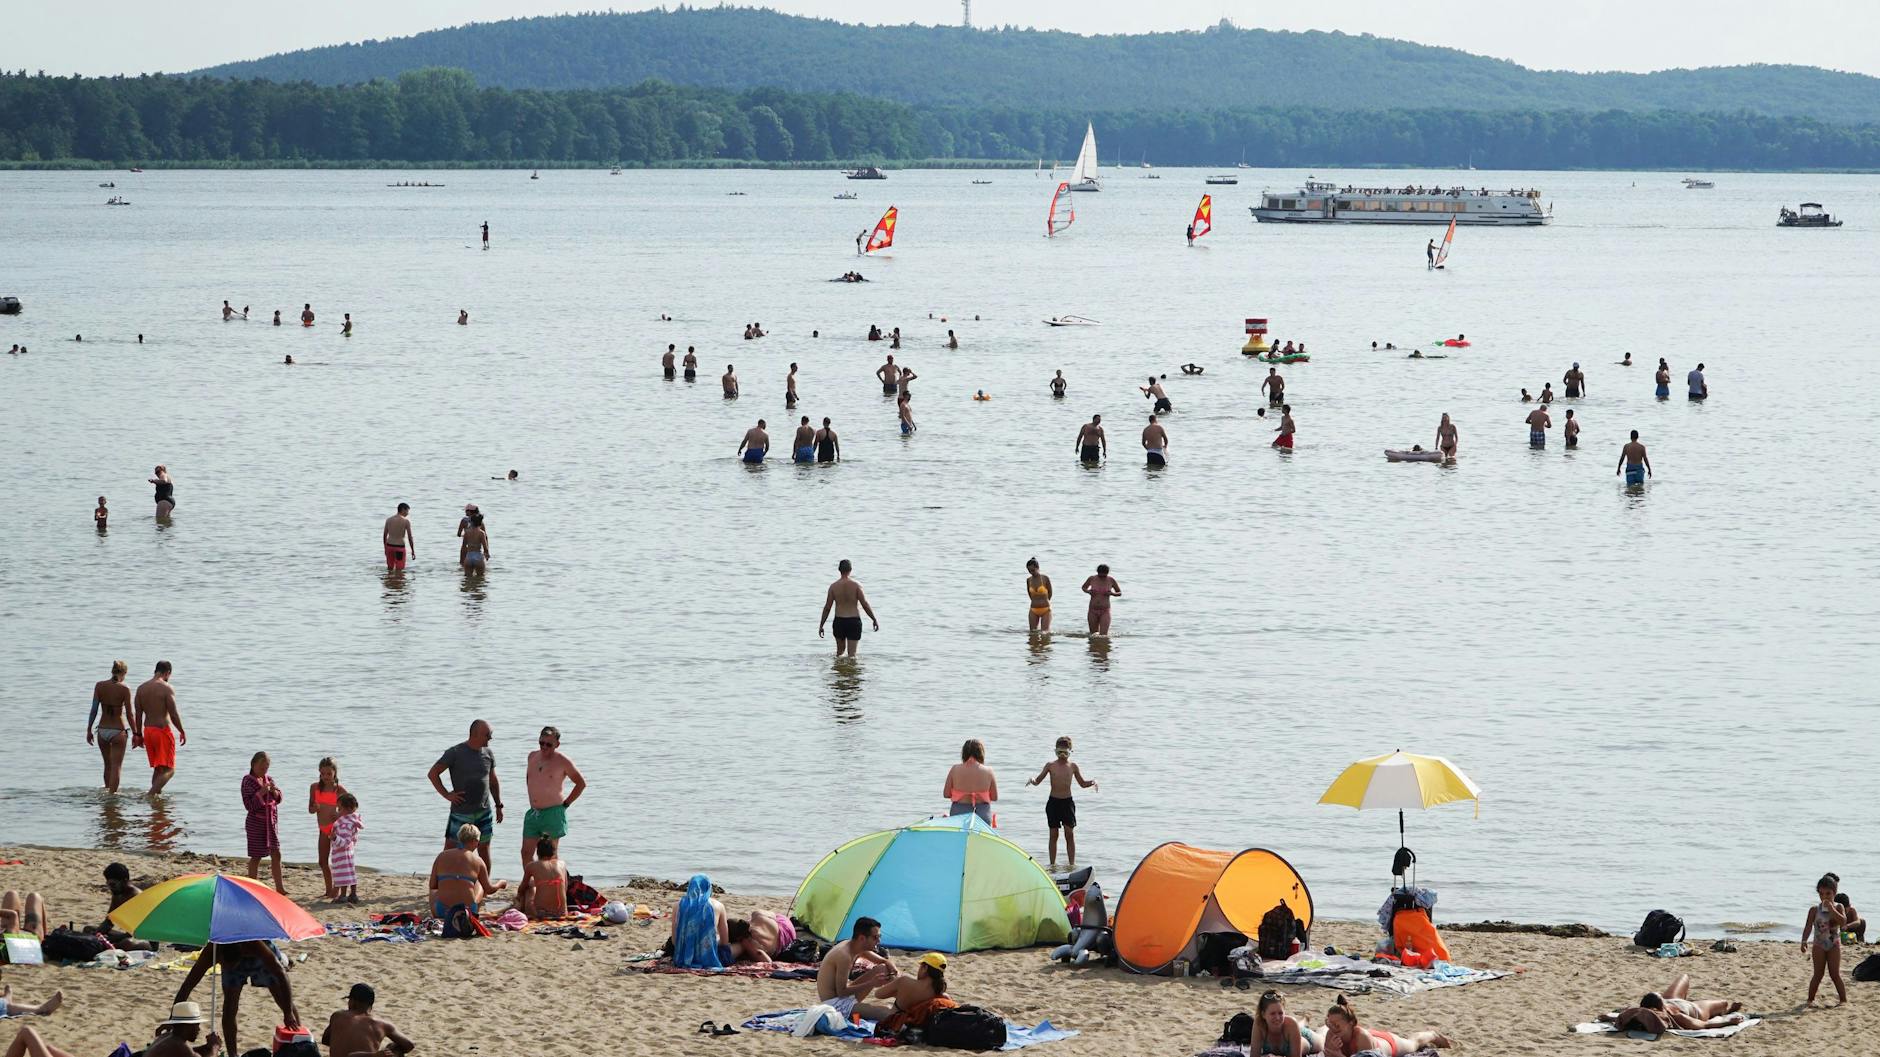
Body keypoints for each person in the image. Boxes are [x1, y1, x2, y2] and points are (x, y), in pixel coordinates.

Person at [174, 941, 300, 1056]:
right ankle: (233, 1054)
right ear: (219, 958)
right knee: (229, 1006)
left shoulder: (256, 945)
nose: (226, 968)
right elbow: (188, 984)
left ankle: (300, 1040)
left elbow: (282, 975)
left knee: (281, 997)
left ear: (242, 953)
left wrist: (288, 1013)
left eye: (230, 965)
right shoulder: (212, 950)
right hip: (230, 956)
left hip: (258, 958)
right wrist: (173, 1019)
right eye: (224, 965)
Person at [428, 719, 503, 869]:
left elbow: (493, 781)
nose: (490, 738)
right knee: (450, 850)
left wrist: (498, 805)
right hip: (461, 812)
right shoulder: (455, 752)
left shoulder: (488, 753)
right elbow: (433, 773)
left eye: (491, 734)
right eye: (487, 734)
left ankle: (483, 885)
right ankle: (440, 882)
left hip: (484, 811)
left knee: (484, 849)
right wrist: (447, 794)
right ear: (474, 734)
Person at [1027, 736, 1097, 870]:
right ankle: (1052, 865)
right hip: (1053, 803)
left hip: (1067, 803)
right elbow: (1037, 781)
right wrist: (1032, 780)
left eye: (1065, 752)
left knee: (1069, 834)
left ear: (1070, 751)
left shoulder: (1073, 766)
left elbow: (1082, 784)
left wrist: (1092, 782)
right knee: (1053, 834)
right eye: (1059, 753)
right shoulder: (1050, 766)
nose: (1062, 756)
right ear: (1055, 751)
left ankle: (1071, 865)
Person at [522, 725, 584, 871]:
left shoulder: (562, 761)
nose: (544, 747)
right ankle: (532, 886)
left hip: (553, 813)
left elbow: (581, 784)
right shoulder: (532, 756)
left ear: (557, 744)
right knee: (526, 852)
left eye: (549, 744)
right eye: (541, 743)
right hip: (533, 813)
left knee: (549, 856)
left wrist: (566, 804)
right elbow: (529, 778)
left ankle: (552, 888)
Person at [428, 823, 506, 937]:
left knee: (433, 890)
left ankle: (444, 905)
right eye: (478, 841)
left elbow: (433, 885)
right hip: (467, 912)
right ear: (474, 841)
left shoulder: (442, 856)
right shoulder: (478, 861)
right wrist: (501, 883)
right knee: (479, 882)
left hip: (442, 911)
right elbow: (489, 889)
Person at [1601, 975, 1746, 1033]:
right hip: (1696, 1010)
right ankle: (1726, 1011)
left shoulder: (1641, 1011)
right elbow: (1705, 1025)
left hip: (1672, 999)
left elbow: (1625, 1017)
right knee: (1724, 1003)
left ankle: (1670, 998)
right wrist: (1728, 1021)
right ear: (1657, 1009)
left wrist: (1610, 1017)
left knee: (1684, 977)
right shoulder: (1676, 1016)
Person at [815, 917, 897, 1020]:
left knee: (883, 968)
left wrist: (890, 965)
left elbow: (882, 961)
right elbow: (842, 992)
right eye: (875, 937)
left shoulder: (855, 945)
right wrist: (872, 983)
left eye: (880, 936)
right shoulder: (844, 956)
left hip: (843, 997)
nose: (878, 941)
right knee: (884, 1012)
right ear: (862, 938)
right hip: (834, 1004)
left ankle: (902, 998)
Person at [1319, 996, 1450, 1057]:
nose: (1333, 1028)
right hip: (1373, 1036)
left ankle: (1433, 1035)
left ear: (1351, 1023)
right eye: (1330, 1024)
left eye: (1337, 1025)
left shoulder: (1361, 1038)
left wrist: (1338, 1055)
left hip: (1388, 1044)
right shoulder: (1331, 1034)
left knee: (1413, 1044)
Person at [871, 952, 960, 1036]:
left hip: (895, 1021)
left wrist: (897, 988)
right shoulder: (942, 996)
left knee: (866, 1008)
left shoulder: (904, 981)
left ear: (925, 968)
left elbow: (878, 994)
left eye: (921, 967)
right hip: (918, 1027)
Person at [133, 661, 184, 794]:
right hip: (162, 731)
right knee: (170, 770)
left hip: (148, 731)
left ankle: (156, 801)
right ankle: (151, 795)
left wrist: (138, 735)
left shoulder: (141, 688)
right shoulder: (166, 688)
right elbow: (173, 714)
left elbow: (138, 715)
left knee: (158, 768)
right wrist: (181, 730)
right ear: (168, 673)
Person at [322, 984, 414, 1057]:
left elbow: (325, 1040)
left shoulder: (338, 1016)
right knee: (396, 1048)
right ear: (370, 1005)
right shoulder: (382, 1024)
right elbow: (409, 1045)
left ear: (353, 1002)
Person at [242, 751, 287, 894]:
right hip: (256, 823)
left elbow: (279, 798)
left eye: (266, 766)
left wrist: (273, 791)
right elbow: (249, 805)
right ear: (253, 764)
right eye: (261, 765)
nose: (264, 769)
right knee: (256, 856)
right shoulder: (248, 781)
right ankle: (252, 887)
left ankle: (280, 888)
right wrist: (260, 793)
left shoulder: (269, 779)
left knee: (276, 852)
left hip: (270, 824)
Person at [1802, 872, 1850, 1006]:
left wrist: (1832, 909)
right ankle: (1810, 1000)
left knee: (1835, 974)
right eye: (1821, 894)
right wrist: (1804, 941)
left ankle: (1843, 1000)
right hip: (1819, 944)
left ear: (1834, 893)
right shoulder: (1814, 909)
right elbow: (1808, 927)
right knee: (1818, 974)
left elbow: (1843, 922)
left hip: (1834, 944)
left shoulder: (1839, 906)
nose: (1825, 897)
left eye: (1828, 894)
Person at [88, 659, 133, 793]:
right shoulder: (125, 689)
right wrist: (137, 733)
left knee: (107, 765)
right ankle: (112, 796)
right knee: (116, 766)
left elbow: (94, 710)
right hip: (118, 731)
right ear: (124, 673)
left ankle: (107, 791)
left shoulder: (99, 686)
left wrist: (88, 730)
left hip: (102, 731)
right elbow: (130, 714)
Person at [819, 559, 879, 657]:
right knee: (852, 655)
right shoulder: (856, 586)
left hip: (839, 621)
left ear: (839, 570)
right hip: (853, 621)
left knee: (839, 653)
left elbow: (827, 608)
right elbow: (865, 604)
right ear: (851, 569)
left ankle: (838, 672)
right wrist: (874, 619)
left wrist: (821, 625)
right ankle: (850, 671)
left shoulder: (833, 587)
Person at [668, 874, 729, 969]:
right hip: (709, 958)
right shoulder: (718, 905)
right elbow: (725, 942)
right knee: (739, 946)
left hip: (682, 957)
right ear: (708, 887)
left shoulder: (678, 905)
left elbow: (675, 941)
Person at [1251, 990, 1320, 1057]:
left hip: (1305, 1039)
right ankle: (1304, 1020)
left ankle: (1305, 1020)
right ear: (1263, 1014)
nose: (1277, 1017)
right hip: (1292, 1031)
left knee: (1323, 1035)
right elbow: (1254, 1055)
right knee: (1297, 1026)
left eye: (1280, 1013)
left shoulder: (1291, 1023)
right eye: (1272, 1014)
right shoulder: (1259, 1023)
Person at [142, 1001, 223, 1057]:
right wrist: (215, 1046)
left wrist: (207, 1047)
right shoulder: (179, 1045)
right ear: (186, 1026)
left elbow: (191, 1052)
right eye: (196, 1025)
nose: (199, 1029)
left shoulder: (168, 1037)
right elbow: (190, 1053)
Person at [516, 838, 570, 920]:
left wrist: (519, 896)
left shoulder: (532, 866)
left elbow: (522, 888)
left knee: (529, 888)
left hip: (541, 914)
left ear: (537, 852)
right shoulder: (562, 864)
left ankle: (519, 907)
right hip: (562, 913)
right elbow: (565, 888)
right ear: (553, 852)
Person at [944, 740, 997, 823]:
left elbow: (946, 794)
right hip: (982, 813)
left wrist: (960, 794)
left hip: (959, 813)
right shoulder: (989, 771)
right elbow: (994, 797)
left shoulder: (955, 769)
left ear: (964, 753)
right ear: (981, 753)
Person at [329, 793, 363, 904]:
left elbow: (345, 842)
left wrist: (335, 838)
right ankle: (353, 894)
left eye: (340, 808)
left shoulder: (345, 824)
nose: (338, 811)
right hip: (349, 852)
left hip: (342, 852)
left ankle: (343, 895)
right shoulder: (352, 821)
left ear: (348, 809)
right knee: (350, 872)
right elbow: (352, 840)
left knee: (342, 873)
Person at [1082, 564, 1121, 636]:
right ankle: (1095, 647)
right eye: (1100, 576)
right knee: (1093, 635)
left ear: (1107, 573)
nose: (1102, 577)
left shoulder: (1111, 580)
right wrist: (1088, 591)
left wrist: (1112, 593)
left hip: (1105, 610)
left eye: (1104, 576)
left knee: (1103, 635)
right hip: (1092, 610)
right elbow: (1084, 587)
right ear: (1097, 572)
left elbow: (1119, 592)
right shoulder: (1092, 578)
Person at [382, 502, 415, 571]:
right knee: (400, 570)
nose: (407, 513)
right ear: (403, 510)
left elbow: (384, 535)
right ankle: (398, 581)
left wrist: (385, 548)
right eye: (407, 511)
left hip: (389, 546)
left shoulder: (388, 520)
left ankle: (390, 581)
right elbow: (410, 537)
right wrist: (412, 551)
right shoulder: (406, 521)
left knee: (390, 569)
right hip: (399, 548)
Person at [1024, 558, 1053, 633]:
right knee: (1033, 633)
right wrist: (1035, 601)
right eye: (1029, 571)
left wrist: (1044, 601)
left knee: (1045, 633)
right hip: (1033, 609)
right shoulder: (1029, 580)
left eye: (1033, 570)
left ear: (1038, 568)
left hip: (1045, 609)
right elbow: (1030, 594)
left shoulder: (1045, 578)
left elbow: (1050, 593)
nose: (1031, 572)